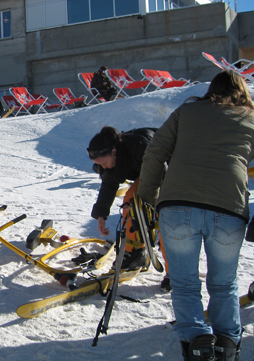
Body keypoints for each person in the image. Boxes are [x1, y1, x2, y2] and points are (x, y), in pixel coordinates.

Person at [138, 70, 254, 361]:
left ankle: (197, 340)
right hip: (229, 208)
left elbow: (155, 152)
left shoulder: (187, 111)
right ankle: (227, 341)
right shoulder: (250, 118)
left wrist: (151, 196)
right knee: (224, 283)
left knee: (185, 282)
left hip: (177, 206)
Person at [87, 126, 170, 290]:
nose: (103, 167)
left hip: (167, 169)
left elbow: (161, 173)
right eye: (99, 165)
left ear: (114, 151)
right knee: (131, 205)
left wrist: (151, 212)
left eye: (104, 163)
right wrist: (101, 215)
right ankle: (135, 254)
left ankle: (175, 272)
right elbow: (108, 185)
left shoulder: (139, 146)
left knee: (166, 217)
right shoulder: (112, 161)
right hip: (145, 171)